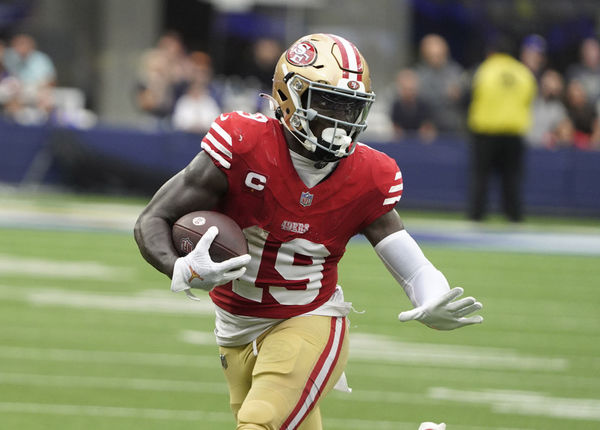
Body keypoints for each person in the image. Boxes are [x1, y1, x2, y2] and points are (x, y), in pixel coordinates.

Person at [135, 33, 483, 430]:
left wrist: (432, 293)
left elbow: (411, 264)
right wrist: (178, 268)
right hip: (234, 329)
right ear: (289, 95)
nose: (340, 119)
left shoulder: (369, 175)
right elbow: (152, 219)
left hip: (309, 318)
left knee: (258, 423)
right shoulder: (244, 145)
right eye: (329, 102)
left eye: (351, 107)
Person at [467, 36, 537, 222]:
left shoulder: (484, 70)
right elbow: (529, 100)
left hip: (486, 132)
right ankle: (514, 217)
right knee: (512, 179)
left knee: (481, 178)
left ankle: (477, 216)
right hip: (514, 133)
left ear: (492, 52)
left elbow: (471, 95)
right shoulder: (523, 72)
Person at [415, 34, 466, 134]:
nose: (436, 58)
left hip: (453, 128)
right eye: (432, 55)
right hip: (427, 127)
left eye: (439, 55)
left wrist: (459, 95)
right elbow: (421, 98)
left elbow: (464, 98)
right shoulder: (419, 74)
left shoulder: (455, 72)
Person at [172, 51, 221, 133]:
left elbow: (217, 121)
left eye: (203, 72)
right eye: (196, 71)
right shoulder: (181, 94)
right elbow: (177, 121)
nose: (199, 76)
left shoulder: (214, 95)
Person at [526, 69, 573, 149]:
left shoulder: (558, 108)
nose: (555, 85)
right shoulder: (529, 99)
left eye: (557, 82)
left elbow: (565, 134)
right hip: (525, 146)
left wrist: (555, 138)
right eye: (552, 81)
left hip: (545, 150)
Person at [390, 68, 437, 142]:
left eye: (411, 89)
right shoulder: (396, 106)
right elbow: (396, 131)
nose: (409, 93)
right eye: (406, 89)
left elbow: (428, 131)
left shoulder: (425, 106)